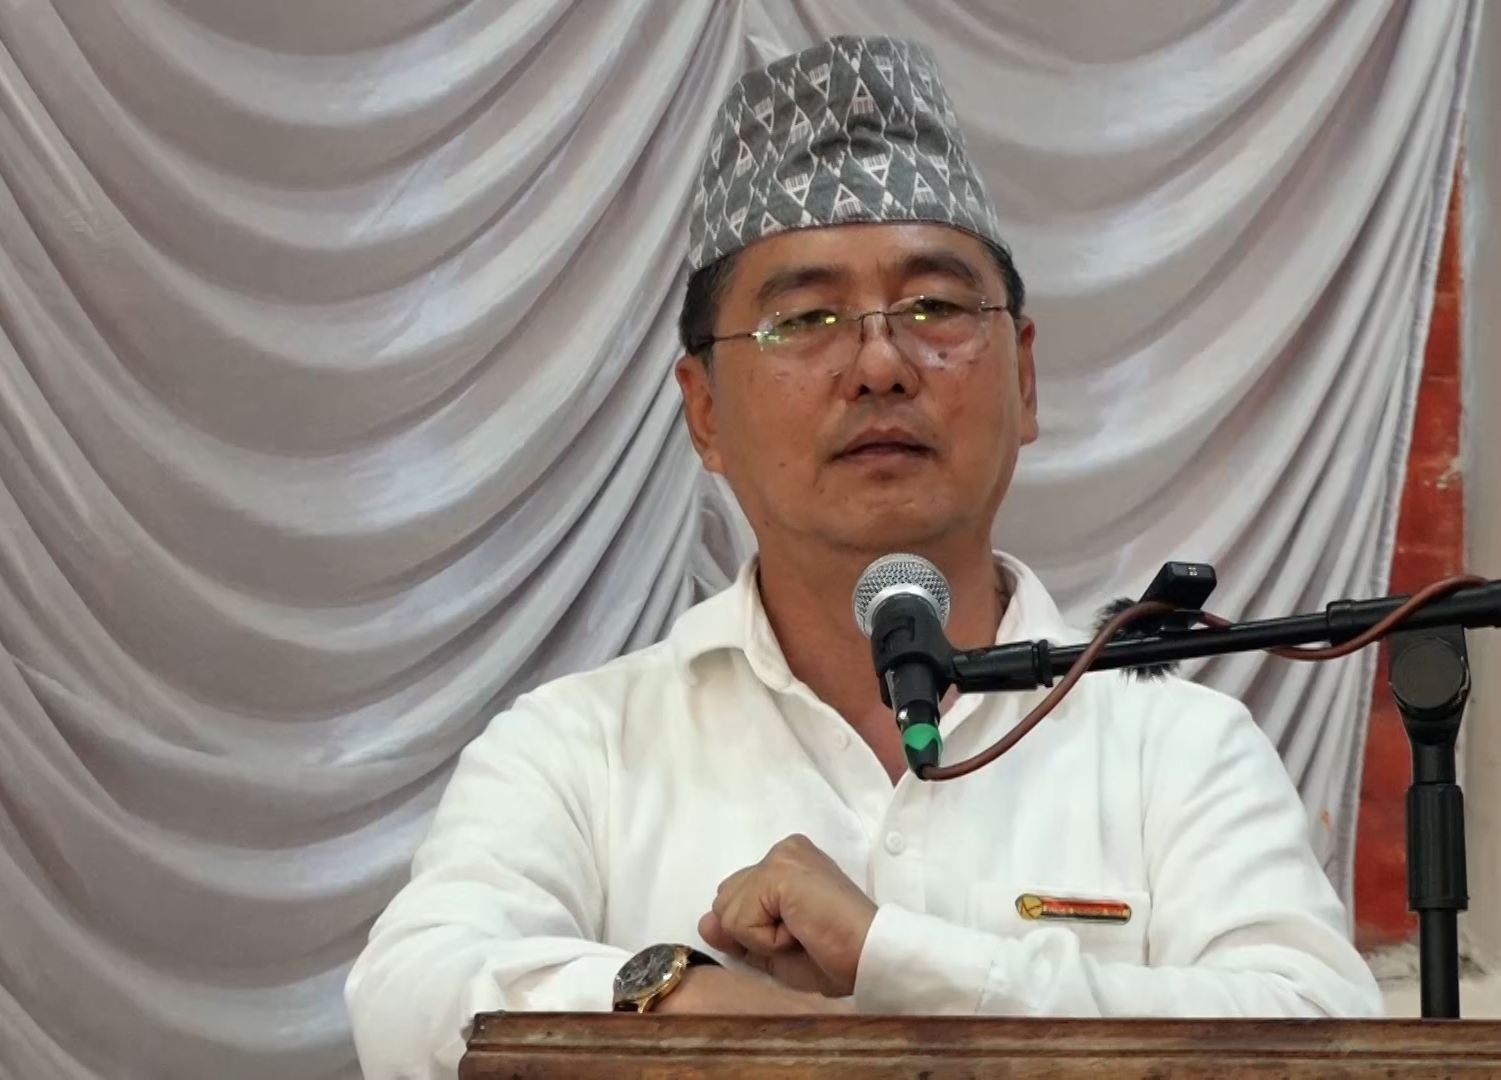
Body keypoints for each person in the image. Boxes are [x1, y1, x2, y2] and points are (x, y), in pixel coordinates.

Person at [345, 34, 1382, 1078]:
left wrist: (893, 958)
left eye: (935, 307)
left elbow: (1315, 1029)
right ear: (704, 413)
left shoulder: (1175, 749)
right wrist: (694, 1004)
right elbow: (408, 1001)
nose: (882, 363)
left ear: (1025, 379)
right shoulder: (581, 748)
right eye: (804, 319)